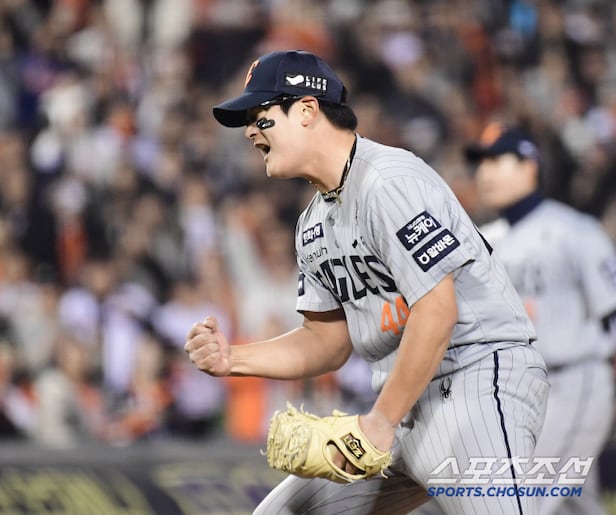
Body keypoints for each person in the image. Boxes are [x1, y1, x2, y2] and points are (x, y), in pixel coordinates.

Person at [185, 50, 550, 515]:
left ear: (306, 110)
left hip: (474, 376)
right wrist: (233, 358)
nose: (250, 131)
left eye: (261, 116)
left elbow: (438, 311)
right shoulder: (312, 224)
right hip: (403, 399)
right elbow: (327, 341)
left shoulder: (388, 180)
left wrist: (381, 421)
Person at [463, 123, 616, 515]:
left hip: (574, 382)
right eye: (481, 163)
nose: (485, 172)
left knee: (517, 499)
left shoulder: (573, 230)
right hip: (519, 392)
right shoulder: (482, 240)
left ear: (529, 165)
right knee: (572, 505)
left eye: (496, 160)